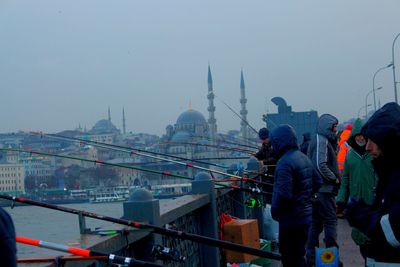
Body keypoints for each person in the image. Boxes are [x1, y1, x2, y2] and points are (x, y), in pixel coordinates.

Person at [346, 102, 400, 265]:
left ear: (389, 140)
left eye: (373, 140)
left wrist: (362, 216)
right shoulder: (388, 173)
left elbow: (395, 229)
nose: (368, 147)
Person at [270, 124, 322, 267]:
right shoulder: (303, 157)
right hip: (305, 217)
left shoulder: (284, 162)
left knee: (290, 259)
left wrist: (275, 211)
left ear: (278, 142)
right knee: (299, 256)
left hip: (290, 221)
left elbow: (283, 195)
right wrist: (305, 199)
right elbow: (318, 182)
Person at [336, 118, 378, 260]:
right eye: (357, 136)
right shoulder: (350, 156)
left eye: (363, 135)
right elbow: (345, 180)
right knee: (360, 236)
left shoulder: (373, 155)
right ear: (353, 137)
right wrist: (341, 200)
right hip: (356, 201)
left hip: (373, 200)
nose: (360, 138)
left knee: (375, 235)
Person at [306, 114, 341, 266]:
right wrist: (334, 178)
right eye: (334, 126)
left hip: (316, 191)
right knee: (330, 222)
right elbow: (321, 165)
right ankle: (329, 260)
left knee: (315, 224)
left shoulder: (320, 140)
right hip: (324, 191)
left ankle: (311, 258)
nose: (336, 129)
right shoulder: (322, 141)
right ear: (328, 127)